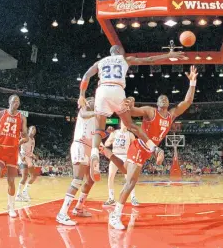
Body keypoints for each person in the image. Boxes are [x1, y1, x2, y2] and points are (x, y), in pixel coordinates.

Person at [106, 66, 198, 229]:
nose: (163, 99)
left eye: (166, 98)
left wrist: (192, 83)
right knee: (131, 182)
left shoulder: (171, 115)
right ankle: (115, 216)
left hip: (147, 150)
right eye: (160, 98)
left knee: (128, 176)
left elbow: (188, 102)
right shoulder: (150, 111)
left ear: (168, 103)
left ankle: (108, 156)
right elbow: (133, 111)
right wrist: (130, 102)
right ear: (157, 103)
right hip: (139, 147)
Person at [78, 45, 185, 182]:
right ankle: (154, 148)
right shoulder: (124, 59)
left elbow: (86, 75)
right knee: (131, 125)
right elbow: (149, 60)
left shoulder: (100, 62)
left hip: (102, 90)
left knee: (98, 130)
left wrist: (82, 94)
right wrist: (168, 55)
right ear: (118, 52)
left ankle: (94, 154)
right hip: (117, 90)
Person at [56, 97, 99, 225]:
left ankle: (78, 208)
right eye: (91, 100)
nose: (93, 102)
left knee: (91, 179)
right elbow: (85, 114)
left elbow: (96, 135)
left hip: (89, 148)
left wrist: (106, 134)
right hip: (80, 145)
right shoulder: (83, 110)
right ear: (86, 102)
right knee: (77, 179)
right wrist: (99, 112)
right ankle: (62, 213)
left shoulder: (96, 119)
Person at [0, 95, 28, 217]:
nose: (17, 103)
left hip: (12, 151)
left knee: (11, 181)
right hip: (0, 149)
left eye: (18, 101)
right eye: (14, 101)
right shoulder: (1, 114)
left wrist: (22, 140)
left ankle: (11, 206)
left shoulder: (22, 118)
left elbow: (25, 136)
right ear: (9, 102)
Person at [103, 121, 137, 206]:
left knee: (129, 178)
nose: (125, 124)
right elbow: (106, 143)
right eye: (123, 122)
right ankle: (111, 198)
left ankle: (133, 197)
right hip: (115, 156)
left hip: (125, 156)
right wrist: (111, 139)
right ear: (121, 123)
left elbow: (136, 146)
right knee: (110, 176)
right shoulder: (114, 133)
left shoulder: (130, 134)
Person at [16, 126, 38, 201]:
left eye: (35, 129)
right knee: (24, 177)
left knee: (33, 176)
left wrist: (33, 155)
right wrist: (20, 156)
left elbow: (30, 151)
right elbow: (16, 146)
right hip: (23, 157)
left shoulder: (33, 140)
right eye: (32, 129)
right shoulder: (25, 138)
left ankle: (25, 192)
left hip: (28, 158)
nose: (34, 130)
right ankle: (18, 195)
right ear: (29, 130)